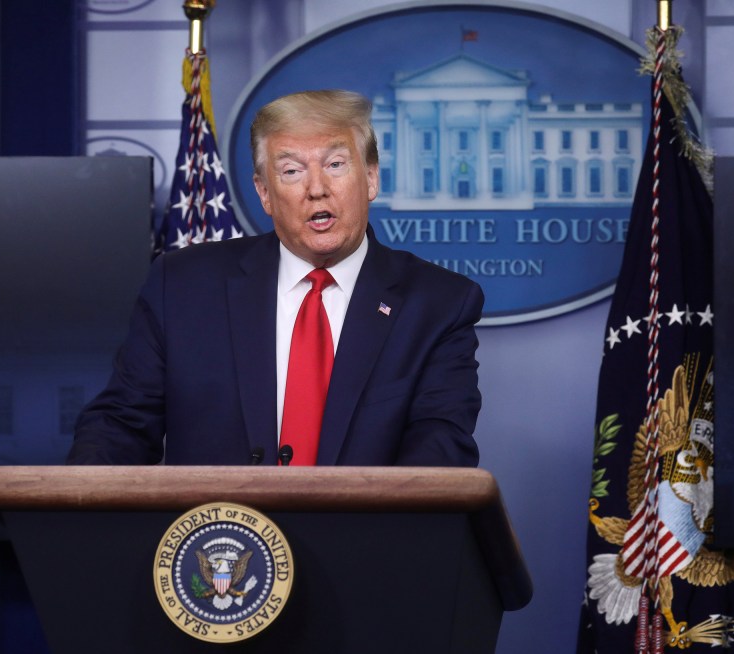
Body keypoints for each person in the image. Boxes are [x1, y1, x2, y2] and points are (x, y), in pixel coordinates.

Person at [67, 89, 483, 467]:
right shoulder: (182, 286)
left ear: (371, 177)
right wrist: (75, 503)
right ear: (264, 192)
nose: (317, 189)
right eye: (291, 172)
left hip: (362, 545)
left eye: (336, 165)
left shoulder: (438, 304)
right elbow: (121, 424)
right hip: (218, 545)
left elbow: (439, 447)